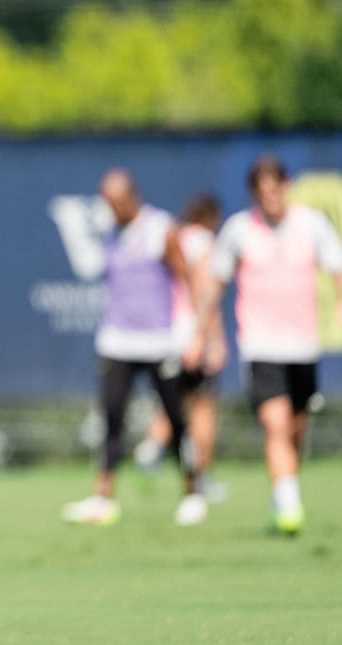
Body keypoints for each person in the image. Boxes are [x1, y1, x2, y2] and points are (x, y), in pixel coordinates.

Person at [187, 154, 342, 535]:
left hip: (303, 346)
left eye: (276, 190)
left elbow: (338, 267)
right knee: (274, 423)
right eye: (263, 193)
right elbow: (215, 284)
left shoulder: (311, 225)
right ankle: (291, 505)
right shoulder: (240, 230)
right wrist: (201, 333)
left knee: (295, 428)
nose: (271, 198)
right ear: (254, 195)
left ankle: (283, 495)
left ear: (287, 187)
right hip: (261, 345)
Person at [63, 168, 206, 527]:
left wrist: (193, 334)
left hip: (159, 341)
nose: (111, 209)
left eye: (115, 202)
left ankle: (192, 489)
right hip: (117, 340)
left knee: (175, 418)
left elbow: (186, 280)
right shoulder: (111, 232)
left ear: (131, 197)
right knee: (112, 417)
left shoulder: (161, 228)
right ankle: (103, 495)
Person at [134, 192, 228, 502]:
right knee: (202, 405)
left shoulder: (174, 237)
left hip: (165, 334)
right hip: (192, 334)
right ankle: (201, 474)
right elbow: (205, 293)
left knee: (174, 401)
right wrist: (210, 338)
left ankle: (152, 446)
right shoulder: (205, 244)